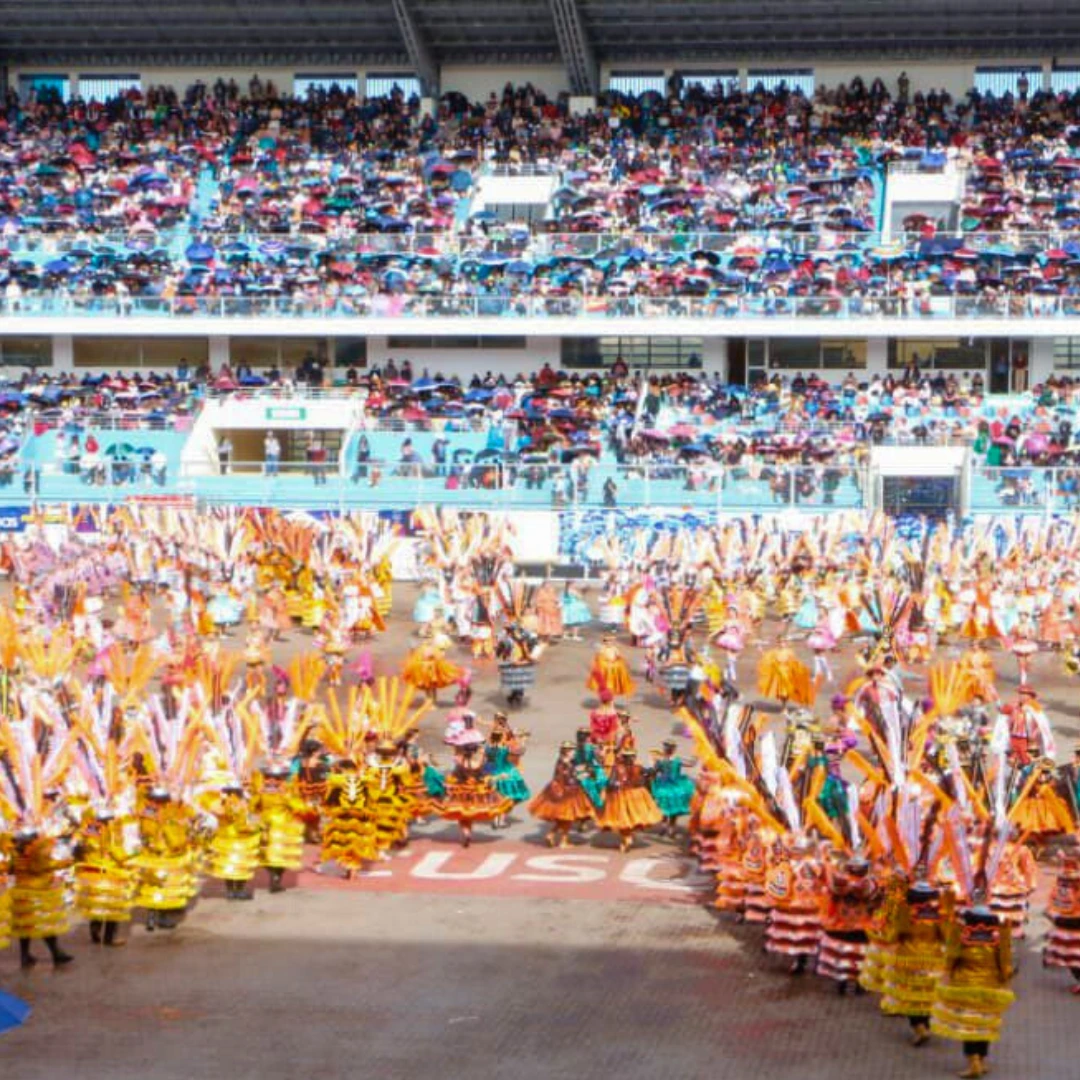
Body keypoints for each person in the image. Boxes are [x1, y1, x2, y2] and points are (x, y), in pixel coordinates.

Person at [931, 905, 1015, 1078]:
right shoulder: (998, 936)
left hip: (964, 987)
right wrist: (1005, 980)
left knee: (969, 1025)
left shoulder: (961, 934)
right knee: (984, 1024)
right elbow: (1005, 962)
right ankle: (982, 1061)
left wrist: (946, 976)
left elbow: (951, 958)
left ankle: (973, 1062)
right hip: (989, 988)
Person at [529, 741, 596, 848]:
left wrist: (585, 771)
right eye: (573, 750)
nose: (575, 752)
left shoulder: (566, 761)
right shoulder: (564, 763)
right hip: (566, 794)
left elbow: (575, 771)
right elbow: (570, 777)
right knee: (567, 817)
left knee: (565, 819)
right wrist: (585, 774)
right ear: (567, 751)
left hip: (563, 792)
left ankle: (553, 835)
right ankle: (561, 840)